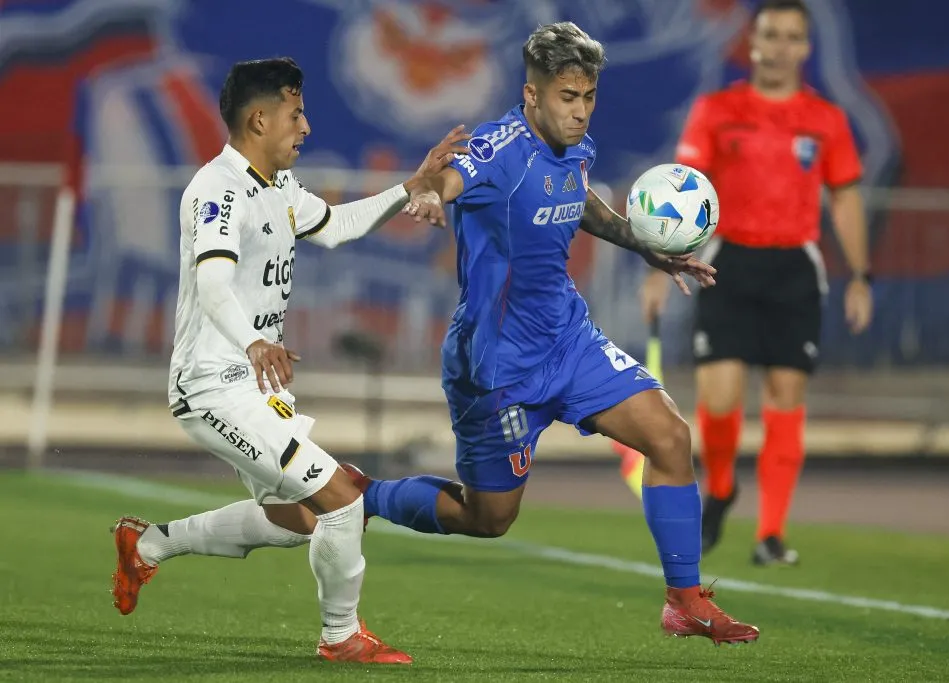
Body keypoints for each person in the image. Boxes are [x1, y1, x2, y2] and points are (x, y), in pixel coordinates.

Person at [342, 22, 760, 646]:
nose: (582, 111)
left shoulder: (575, 147)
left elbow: (578, 198)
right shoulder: (496, 148)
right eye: (569, 97)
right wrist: (428, 194)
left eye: (589, 97)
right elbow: (448, 180)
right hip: (497, 364)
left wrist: (646, 245)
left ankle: (685, 600)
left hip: (569, 340)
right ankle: (365, 497)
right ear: (532, 95)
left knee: (671, 437)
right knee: (489, 518)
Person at [108, 57, 468, 665]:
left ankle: (148, 546)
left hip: (250, 382)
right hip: (211, 384)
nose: (305, 126)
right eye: (294, 113)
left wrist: (410, 186)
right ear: (258, 118)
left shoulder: (277, 187)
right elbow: (215, 283)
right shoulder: (217, 190)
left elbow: (336, 226)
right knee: (342, 497)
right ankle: (340, 637)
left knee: (302, 517)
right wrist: (253, 340)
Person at [634, 0, 873, 566]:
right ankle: (720, 486)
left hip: (795, 268)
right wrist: (661, 266)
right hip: (728, 264)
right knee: (720, 397)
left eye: (794, 37)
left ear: (806, 47)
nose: (782, 46)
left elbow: (845, 197)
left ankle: (770, 534)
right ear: (754, 41)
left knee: (786, 398)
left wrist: (861, 276)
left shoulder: (826, 119)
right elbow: (681, 192)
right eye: (772, 35)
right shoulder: (718, 109)